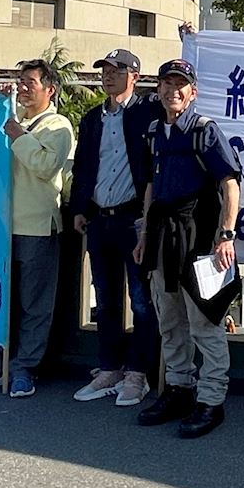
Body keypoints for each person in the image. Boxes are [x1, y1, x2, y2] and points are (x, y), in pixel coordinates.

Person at [135, 58, 242, 438]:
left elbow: (230, 184)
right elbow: (150, 187)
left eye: (180, 84)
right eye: (166, 83)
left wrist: (226, 236)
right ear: (159, 89)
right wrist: (144, 235)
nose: (172, 91)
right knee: (169, 320)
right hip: (162, 238)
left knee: (205, 323)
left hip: (199, 239)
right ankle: (179, 388)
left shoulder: (204, 131)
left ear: (192, 92)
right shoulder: (154, 133)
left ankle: (211, 400)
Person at [0, 59, 75, 398]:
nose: (23, 87)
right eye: (20, 81)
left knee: (34, 305)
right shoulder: (10, 115)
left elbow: (46, 166)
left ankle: (24, 369)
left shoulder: (58, 125)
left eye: (30, 82)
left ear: (50, 89)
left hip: (36, 227)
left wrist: (18, 136)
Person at [68, 48, 163, 406]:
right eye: (105, 70)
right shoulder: (93, 118)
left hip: (134, 218)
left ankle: (138, 373)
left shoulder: (148, 112)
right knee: (106, 299)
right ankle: (109, 368)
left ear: (134, 76)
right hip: (99, 219)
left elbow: (177, 95)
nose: (108, 76)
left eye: (117, 70)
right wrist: (79, 208)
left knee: (141, 301)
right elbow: (83, 166)